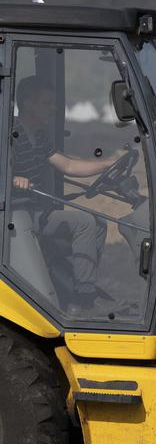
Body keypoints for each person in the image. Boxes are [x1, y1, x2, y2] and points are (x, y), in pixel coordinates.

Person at [10, 76, 119, 312]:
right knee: (84, 222)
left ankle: (69, 285)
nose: (54, 108)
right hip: (18, 217)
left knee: (98, 224)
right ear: (28, 104)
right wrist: (12, 180)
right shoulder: (10, 132)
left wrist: (107, 164)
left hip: (38, 211)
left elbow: (68, 166)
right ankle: (83, 298)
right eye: (47, 103)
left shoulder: (39, 135)